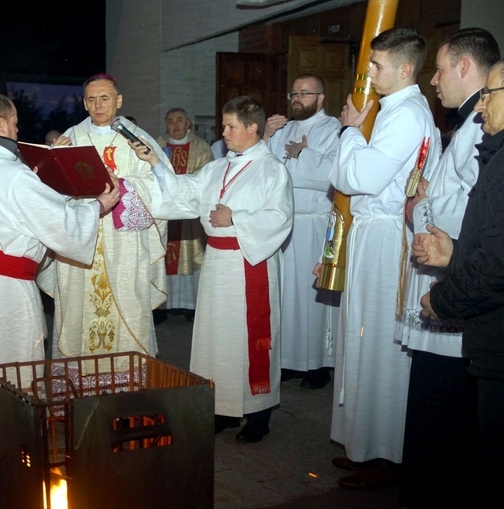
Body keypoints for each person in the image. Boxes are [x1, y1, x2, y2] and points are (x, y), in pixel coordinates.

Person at [0, 90, 119, 470]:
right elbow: (61, 223)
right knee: (13, 362)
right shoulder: (10, 172)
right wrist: (100, 205)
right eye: (16, 124)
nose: (18, 131)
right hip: (7, 285)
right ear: (1, 124)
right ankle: (16, 443)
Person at [138, 95, 293, 442]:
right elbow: (185, 190)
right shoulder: (218, 166)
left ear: (253, 128)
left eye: (231, 126)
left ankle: (257, 413)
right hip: (218, 265)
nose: (223, 133)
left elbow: (280, 218)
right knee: (218, 339)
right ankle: (223, 407)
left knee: (251, 339)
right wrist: (156, 162)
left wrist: (235, 218)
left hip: (250, 263)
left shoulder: (272, 170)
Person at [326, 27, 440, 489]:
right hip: (374, 233)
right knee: (362, 337)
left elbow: (360, 178)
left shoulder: (407, 114)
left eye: (376, 66)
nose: (368, 74)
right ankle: (362, 444)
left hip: (388, 234)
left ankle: (386, 454)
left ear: (405, 68)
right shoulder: (395, 109)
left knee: (379, 345)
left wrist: (351, 132)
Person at [397, 29, 499, 508]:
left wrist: (419, 210)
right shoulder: (472, 123)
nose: (433, 80)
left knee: (446, 412)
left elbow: (475, 218)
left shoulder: (483, 125)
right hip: (455, 268)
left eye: (439, 69)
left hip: (462, 285)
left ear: (465, 68)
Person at [36, 73, 171, 370]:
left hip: (123, 241)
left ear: (119, 101)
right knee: (77, 311)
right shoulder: (70, 136)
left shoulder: (137, 138)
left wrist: (122, 185)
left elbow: (163, 185)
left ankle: (127, 388)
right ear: (84, 103)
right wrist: (54, 162)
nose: (98, 105)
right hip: (80, 239)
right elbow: (48, 191)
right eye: (92, 99)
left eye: (105, 98)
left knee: (126, 309)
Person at [264, 74, 340, 389]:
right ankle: (291, 361)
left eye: (304, 93)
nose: (297, 98)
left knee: (312, 297)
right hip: (286, 222)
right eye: (293, 92)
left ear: (321, 97)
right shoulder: (285, 129)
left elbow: (332, 174)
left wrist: (301, 155)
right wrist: (268, 136)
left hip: (313, 222)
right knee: (286, 296)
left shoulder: (333, 129)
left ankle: (318, 364)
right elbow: (267, 169)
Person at [155, 107, 213, 323]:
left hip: (190, 216)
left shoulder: (201, 147)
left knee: (190, 256)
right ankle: (160, 307)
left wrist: (180, 186)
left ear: (188, 123)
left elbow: (206, 176)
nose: (175, 125)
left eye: (180, 120)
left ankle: (191, 307)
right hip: (163, 213)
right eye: (170, 121)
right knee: (161, 258)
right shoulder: (157, 147)